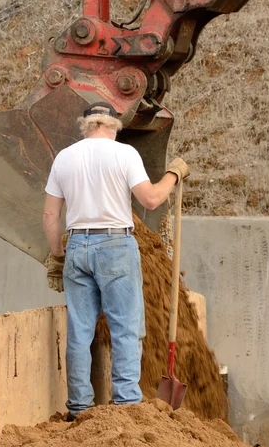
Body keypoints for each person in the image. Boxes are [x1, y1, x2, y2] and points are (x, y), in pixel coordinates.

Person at [43, 102, 190, 419]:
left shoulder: (64, 158)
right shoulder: (124, 155)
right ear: (114, 125)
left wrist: (57, 255)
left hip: (76, 245)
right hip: (114, 244)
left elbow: (50, 214)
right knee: (125, 328)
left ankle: (79, 408)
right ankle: (126, 404)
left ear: (85, 125)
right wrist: (173, 175)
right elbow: (150, 199)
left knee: (80, 332)